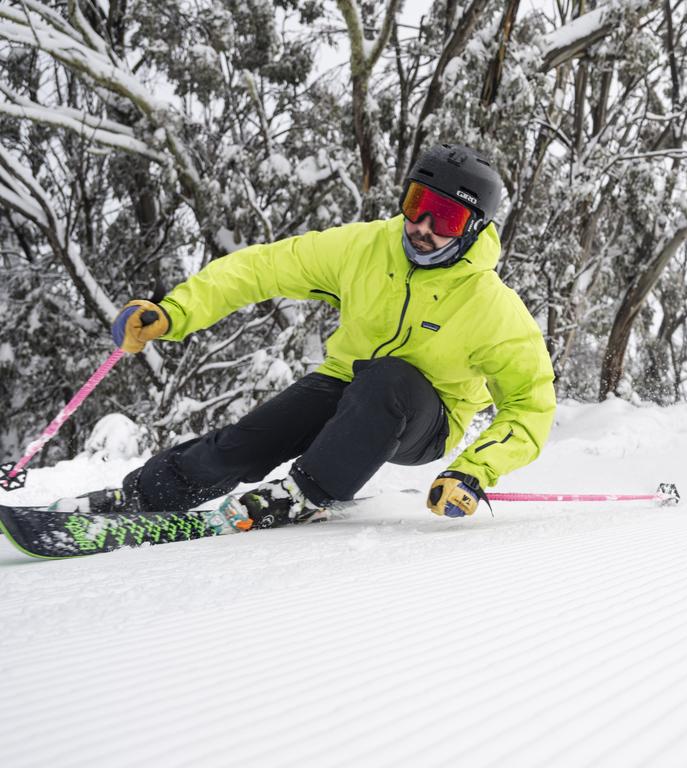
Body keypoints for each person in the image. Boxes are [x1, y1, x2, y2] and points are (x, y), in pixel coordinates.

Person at [55, 144, 556, 531]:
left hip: (426, 423)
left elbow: (531, 406)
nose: (423, 227)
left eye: (445, 218)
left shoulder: (492, 308)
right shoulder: (365, 248)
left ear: (472, 229)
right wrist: (174, 312)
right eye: (417, 204)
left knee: (389, 379)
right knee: (248, 439)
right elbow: (261, 268)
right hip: (348, 386)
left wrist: (473, 470)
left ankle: (308, 493)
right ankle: (150, 494)